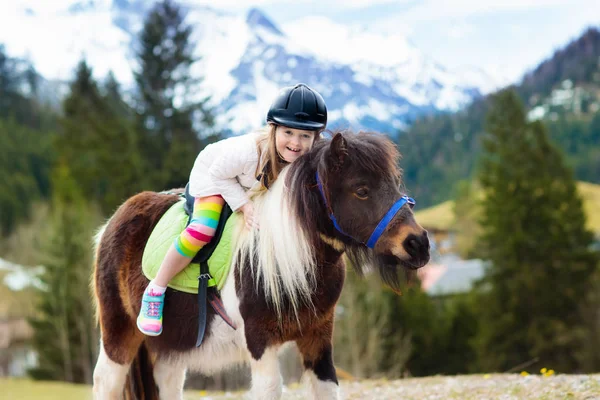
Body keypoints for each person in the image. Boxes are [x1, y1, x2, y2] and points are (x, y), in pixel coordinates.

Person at [137, 83, 328, 336]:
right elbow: (219, 175)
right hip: (215, 176)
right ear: (273, 129)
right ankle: (156, 289)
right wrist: (244, 206)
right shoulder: (248, 152)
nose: (296, 142)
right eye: (289, 132)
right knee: (203, 229)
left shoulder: (310, 157)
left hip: (248, 183)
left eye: (305, 135)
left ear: (316, 137)